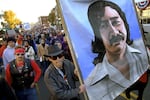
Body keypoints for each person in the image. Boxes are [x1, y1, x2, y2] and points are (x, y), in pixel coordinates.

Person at [84, 1, 149, 100]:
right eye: (104, 26)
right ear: (98, 36)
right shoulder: (94, 82)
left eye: (115, 22)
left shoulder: (142, 48)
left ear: (124, 24)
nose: (114, 32)